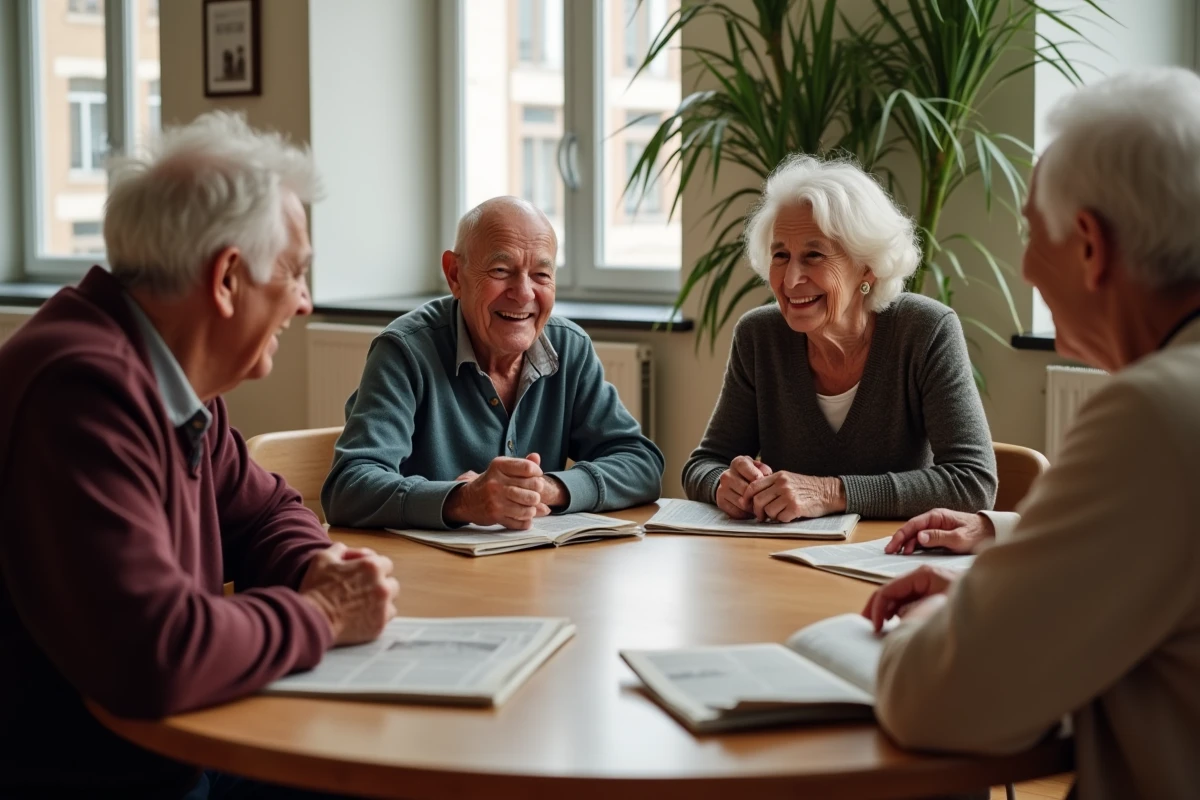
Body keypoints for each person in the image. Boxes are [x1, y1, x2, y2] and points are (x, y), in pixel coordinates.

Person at [0, 112, 398, 798]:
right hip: (98, 775)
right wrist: (324, 614)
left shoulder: (171, 378)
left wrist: (316, 565)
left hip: (176, 741)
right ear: (227, 278)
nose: (304, 304)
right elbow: (155, 651)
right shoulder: (81, 391)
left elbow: (264, 508)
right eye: (296, 273)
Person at [864, 68, 1200, 799]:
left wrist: (951, 612)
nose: (1023, 264)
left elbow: (936, 700)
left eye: (1028, 228)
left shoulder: (1155, 412)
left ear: (1089, 245)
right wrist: (1008, 540)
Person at [683, 155, 997, 522]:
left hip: (890, 559)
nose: (790, 279)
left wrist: (831, 492)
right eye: (780, 255)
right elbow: (702, 464)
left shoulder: (925, 330)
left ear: (867, 266)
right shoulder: (759, 336)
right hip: (782, 561)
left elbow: (972, 482)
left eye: (814, 255)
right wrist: (722, 483)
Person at [322, 196, 664, 531]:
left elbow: (640, 464)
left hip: (536, 574)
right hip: (427, 577)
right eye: (501, 270)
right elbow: (348, 487)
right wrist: (462, 500)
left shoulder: (569, 348)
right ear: (455, 275)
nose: (524, 293)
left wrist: (546, 489)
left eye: (541, 275)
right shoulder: (405, 351)